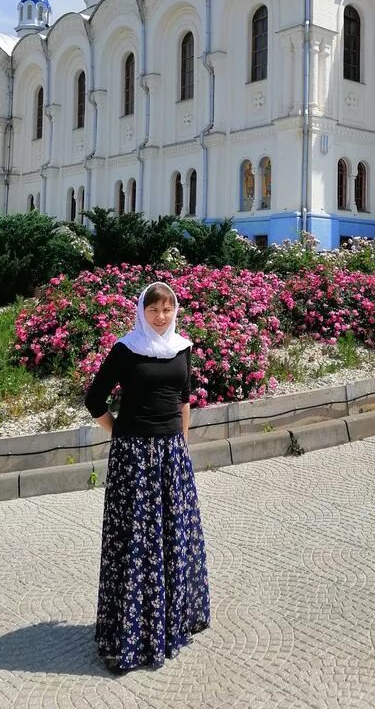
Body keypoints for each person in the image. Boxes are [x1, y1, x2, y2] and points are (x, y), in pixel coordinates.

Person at [84, 281, 210, 672]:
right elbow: (94, 398)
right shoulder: (126, 349)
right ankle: (132, 632)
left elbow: (184, 398)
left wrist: (182, 444)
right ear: (142, 311)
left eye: (168, 309)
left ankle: (171, 619)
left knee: (172, 536)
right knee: (137, 540)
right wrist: (119, 433)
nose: (161, 316)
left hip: (172, 455)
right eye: (154, 309)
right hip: (134, 457)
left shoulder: (182, 348)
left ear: (175, 312)